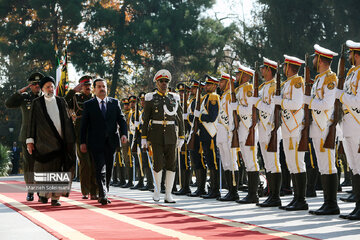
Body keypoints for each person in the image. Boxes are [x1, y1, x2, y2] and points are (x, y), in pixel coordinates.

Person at [26, 76, 76, 206]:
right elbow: (31, 123)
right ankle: (43, 194)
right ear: (42, 89)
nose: (50, 89)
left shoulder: (61, 101)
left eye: (52, 86)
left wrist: (70, 140)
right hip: (43, 143)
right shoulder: (37, 103)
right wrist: (30, 141)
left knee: (60, 170)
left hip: (61, 142)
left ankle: (55, 198)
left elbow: (67, 121)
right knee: (44, 170)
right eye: (47, 87)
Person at [303, 44, 339, 215]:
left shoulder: (330, 78)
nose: (313, 60)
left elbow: (327, 103)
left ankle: (332, 204)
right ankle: (327, 202)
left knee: (328, 165)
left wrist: (308, 101)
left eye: (315, 57)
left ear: (321, 60)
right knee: (323, 165)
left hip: (325, 125)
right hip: (317, 125)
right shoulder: (319, 78)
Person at [80, 78, 128, 205]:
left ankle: (105, 191)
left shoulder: (114, 103)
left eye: (104, 86)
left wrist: (124, 134)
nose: (102, 89)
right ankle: (103, 194)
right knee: (99, 168)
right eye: (99, 86)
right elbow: (84, 125)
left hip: (111, 142)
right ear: (95, 89)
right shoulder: (89, 105)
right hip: (95, 143)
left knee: (109, 169)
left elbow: (122, 120)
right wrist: (82, 142)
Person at [141, 69, 185, 203]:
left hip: (171, 134)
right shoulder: (151, 98)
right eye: (161, 81)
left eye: (166, 81)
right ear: (156, 82)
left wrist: (182, 136)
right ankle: (157, 191)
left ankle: (168, 194)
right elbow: (146, 119)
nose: (164, 84)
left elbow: (180, 118)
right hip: (156, 134)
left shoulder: (174, 98)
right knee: (158, 164)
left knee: (171, 164)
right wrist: (144, 137)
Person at [273, 55, 308, 211]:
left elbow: (296, 103)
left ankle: (301, 199)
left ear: (289, 67)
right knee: (291, 164)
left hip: (294, 127)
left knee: (298, 163)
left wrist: (280, 101)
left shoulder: (297, 82)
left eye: (285, 66)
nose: (284, 69)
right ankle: (296, 198)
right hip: (287, 127)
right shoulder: (288, 84)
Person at [5, 72, 43, 201]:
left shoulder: (47, 97)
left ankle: (41, 191)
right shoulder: (25, 97)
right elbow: (9, 103)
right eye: (34, 84)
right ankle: (31, 191)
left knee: (42, 164)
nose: (37, 86)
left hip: (43, 136)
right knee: (29, 165)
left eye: (39, 83)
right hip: (26, 135)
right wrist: (19, 92)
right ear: (30, 86)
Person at [249, 58, 281, 206]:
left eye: (263, 68)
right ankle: (270, 194)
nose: (261, 70)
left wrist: (257, 102)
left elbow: (271, 108)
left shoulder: (275, 87)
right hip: (262, 129)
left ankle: (276, 196)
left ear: (269, 70)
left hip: (271, 128)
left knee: (274, 164)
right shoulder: (263, 87)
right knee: (268, 164)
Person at [337, 40, 360, 220]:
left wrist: (341, 96)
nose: (349, 57)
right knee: (353, 166)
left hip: (357, 122)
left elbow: (357, 100)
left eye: (351, 54)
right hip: (348, 123)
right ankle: (357, 205)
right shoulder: (353, 73)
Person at [64, 75, 98, 200]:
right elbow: (62, 102)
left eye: (89, 85)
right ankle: (85, 190)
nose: (88, 87)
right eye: (85, 85)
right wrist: (73, 91)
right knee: (85, 164)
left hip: (94, 133)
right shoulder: (76, 98)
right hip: (80, 134)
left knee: (94, 163)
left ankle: (94, 191)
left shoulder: (96, 99)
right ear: (81, 87)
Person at [233, 65, 261, 204]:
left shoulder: (249, 89)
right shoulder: (240, 89)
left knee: (251, 161)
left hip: (248, 127)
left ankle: (253, 194)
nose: (236, 77)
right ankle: (251, 193)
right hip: (242, 128)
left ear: (245, 76)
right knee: (247, 161)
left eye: (238, 74)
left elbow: (250, 109)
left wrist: (236, 108)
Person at [195, 75, 221, 199]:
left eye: (209, 85)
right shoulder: (205, 97)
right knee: (210, 162)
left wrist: (199, 116)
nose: (206, 86)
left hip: (211, 135)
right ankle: (212, 188)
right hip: (205, 135)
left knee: (213, 162)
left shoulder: (213, 97)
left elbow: (212, 117)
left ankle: (215, 189)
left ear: (215, 86)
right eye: (206, 84)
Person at [216, 73, 239, 201]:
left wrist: (231, 132)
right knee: (225, 163)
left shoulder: (230, 95)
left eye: (222, 81)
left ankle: (234, 191)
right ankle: (230, 190)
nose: (220, 83)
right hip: (222, 133)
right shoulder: (224, 96)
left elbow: (231, 116)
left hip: (228, 132)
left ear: (228, 82)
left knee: (231, 161)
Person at [187, 79, 207, 197]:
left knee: (200, 160)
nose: (192, 90)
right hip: (193, 133)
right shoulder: (193, 101)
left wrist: (189, 117)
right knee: (194, 160)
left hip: (199, 133)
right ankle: (199, 187)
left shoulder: (201, 100)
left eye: (195, 88)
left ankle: (201, 187)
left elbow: (198, 118)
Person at [174, 83, 192, 196]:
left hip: (188, 135)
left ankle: (186, 186)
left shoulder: (190, 104)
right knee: (180, 160)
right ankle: (181, 185)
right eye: (180, 92)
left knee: (186, 160)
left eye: (184, 92)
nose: (182, 94)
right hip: (178, 135)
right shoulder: (176, 105)